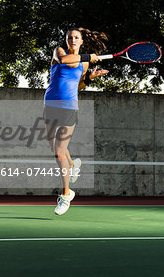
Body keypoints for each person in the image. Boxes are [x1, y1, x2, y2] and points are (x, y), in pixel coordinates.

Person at [44, 27, 109, 215]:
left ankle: (66, 194)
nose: (73, 40)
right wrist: (88, 57)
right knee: (54, 148)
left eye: (76, 38)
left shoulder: (84, 63)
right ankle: (72, 165)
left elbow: (78, 85)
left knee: (59, 151)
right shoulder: (59, 52)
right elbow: (65, 61)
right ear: (66, 40)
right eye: (70, 37)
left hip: (69, 108)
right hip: (50, 105)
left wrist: (89, 79)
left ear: (81, 41)